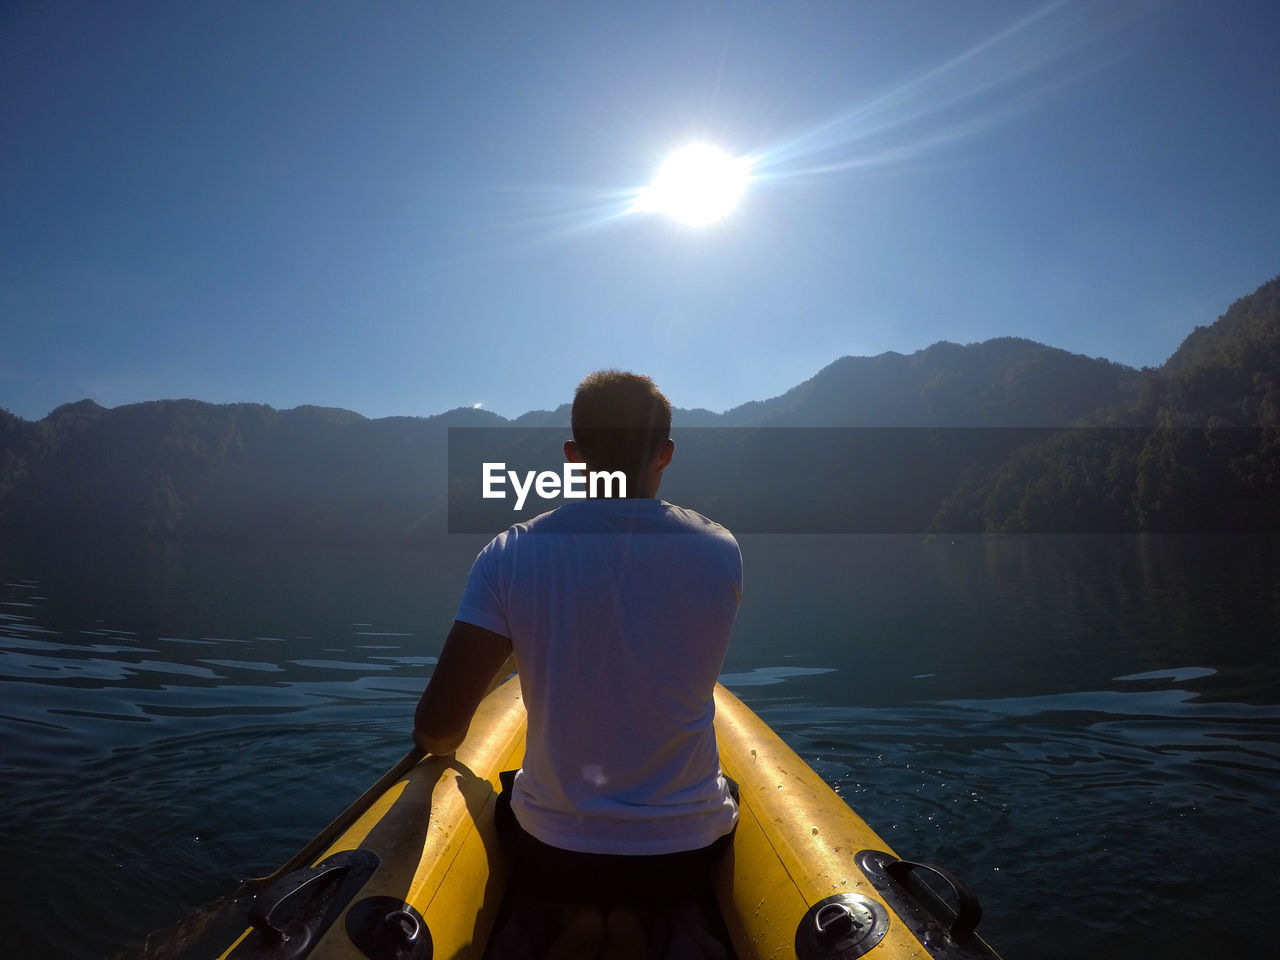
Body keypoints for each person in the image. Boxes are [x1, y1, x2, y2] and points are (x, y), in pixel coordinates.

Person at [413, 370, 741, 960]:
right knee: (727, 791)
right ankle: (638, 921)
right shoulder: (720, 550)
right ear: (665, 454)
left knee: (514, 796)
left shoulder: (511, 554)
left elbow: (439, 728)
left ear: (572, 456)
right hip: (685, 855)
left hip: (557, 855)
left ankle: (583, 915)